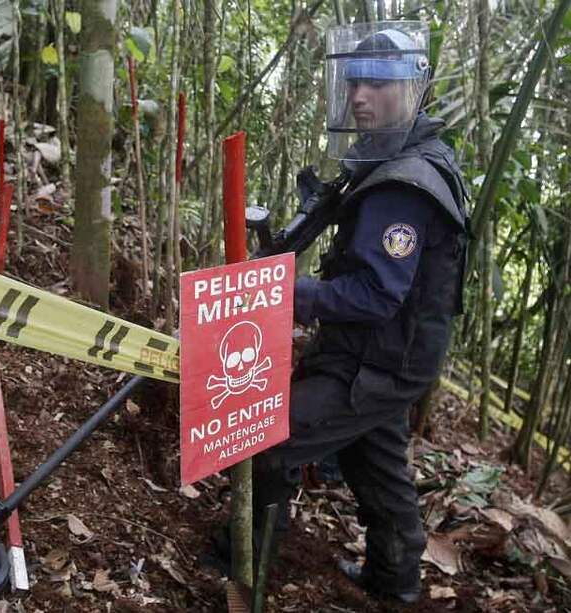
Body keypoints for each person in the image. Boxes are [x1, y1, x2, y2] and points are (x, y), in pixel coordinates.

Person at [252, 22, 468, 603]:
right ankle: (394, 582)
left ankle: (245, 565)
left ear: (410, 91)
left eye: (376, 85)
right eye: (353, 85)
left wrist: (292, 292)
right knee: (374, 460)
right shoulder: (411, 157)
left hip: (378, 361)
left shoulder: (404, 183)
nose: (359, 98)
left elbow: (376, 294)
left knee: (268, 440)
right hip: (392, 354)